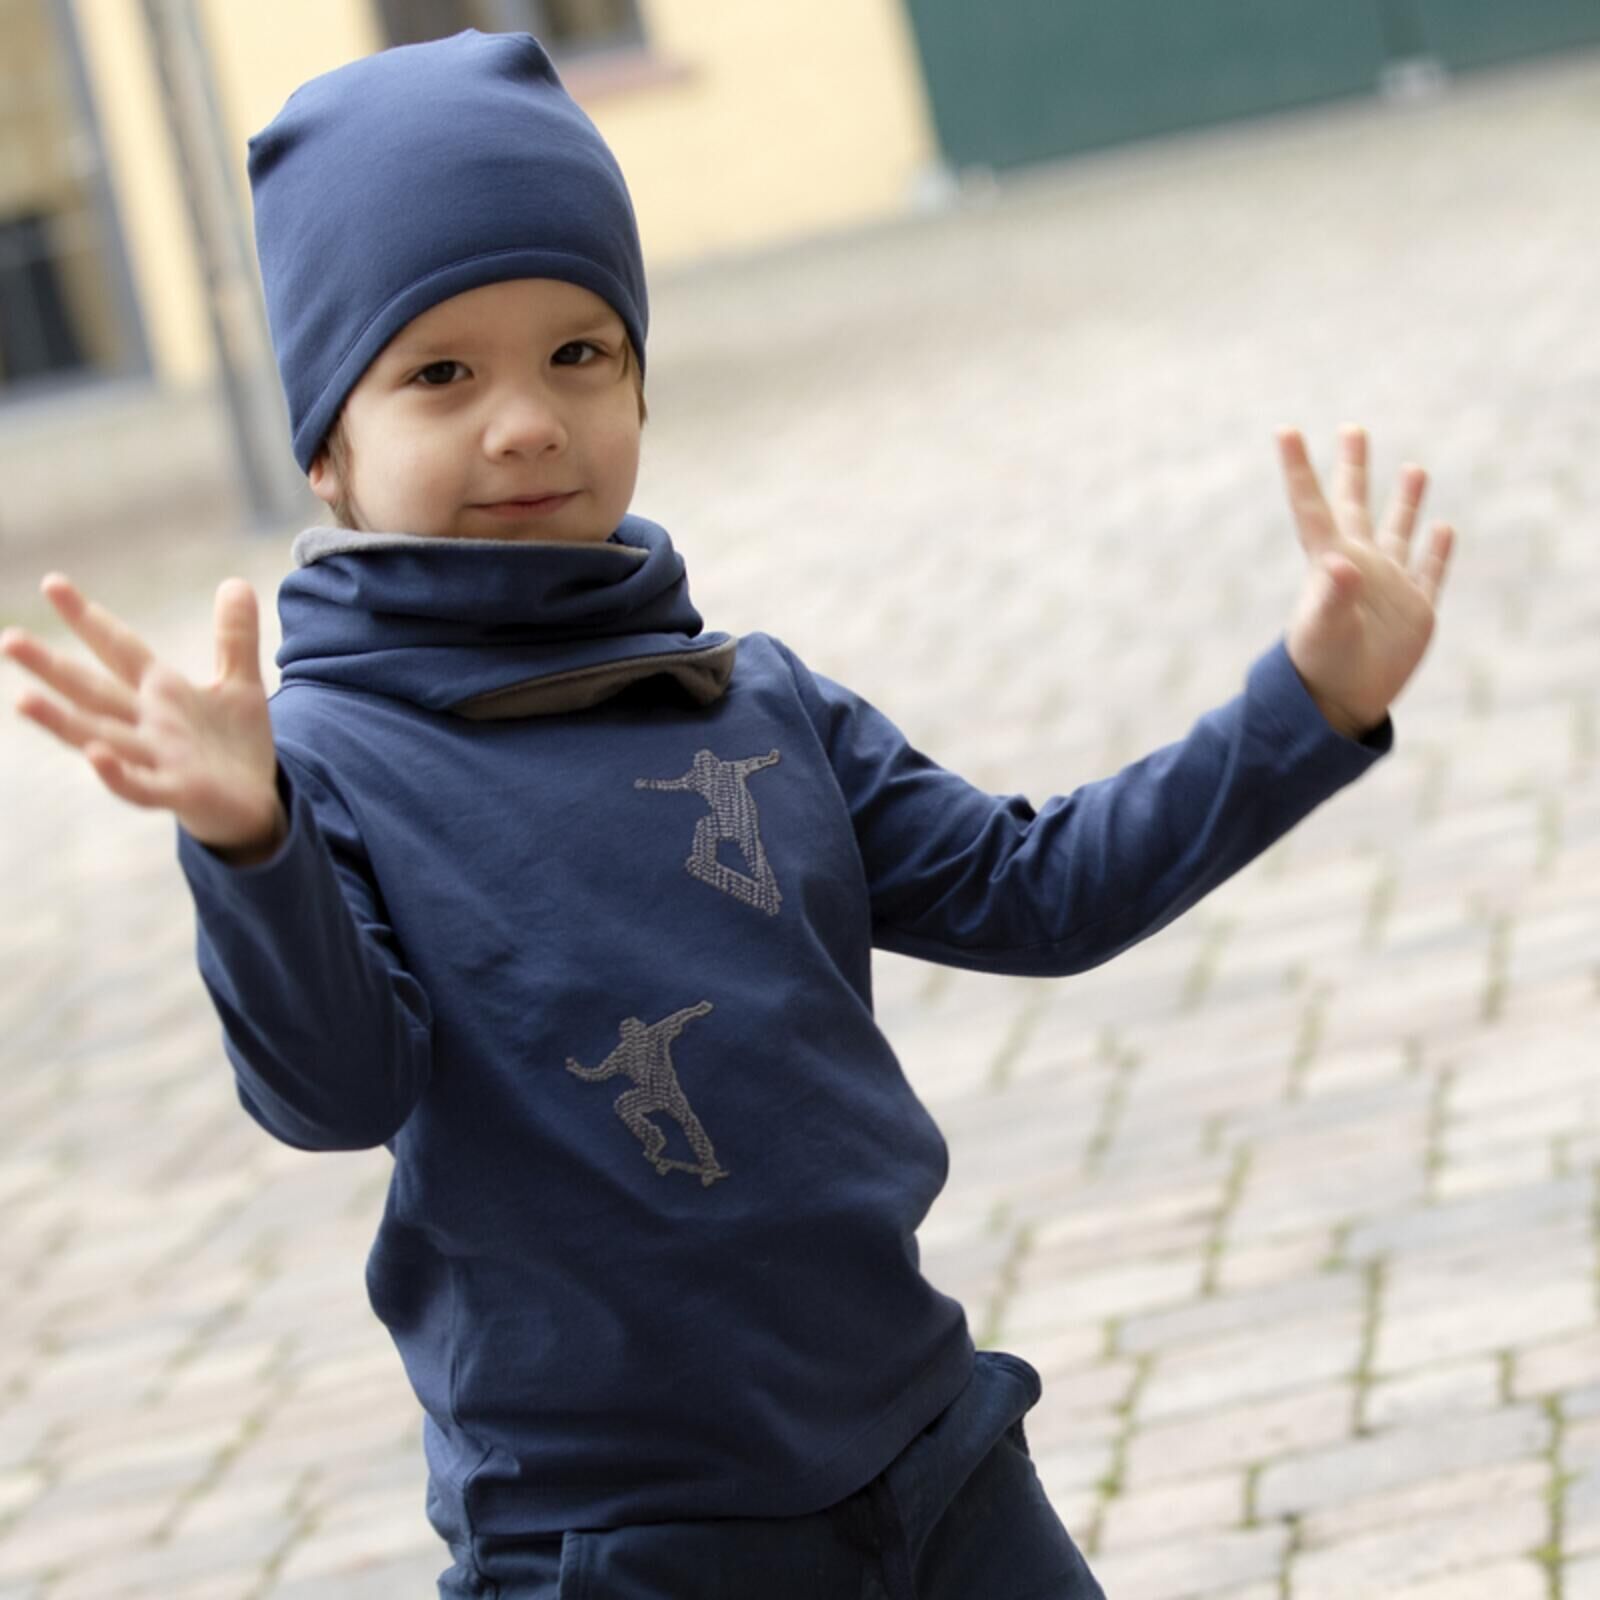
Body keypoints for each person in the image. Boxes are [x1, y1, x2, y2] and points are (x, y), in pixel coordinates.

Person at [0, 30, 1454, 1600]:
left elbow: (1041, 892)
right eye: (440, 372)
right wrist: (246, 842)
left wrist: (1308, 704)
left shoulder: (750, 702)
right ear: (329, 450)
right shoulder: (326, 770)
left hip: (930, 1450)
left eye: (579, 352)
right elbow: (334, 1091)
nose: (525, 423)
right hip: (630, 1541)